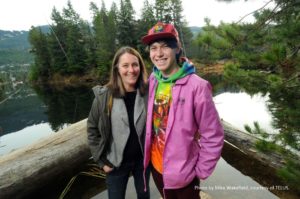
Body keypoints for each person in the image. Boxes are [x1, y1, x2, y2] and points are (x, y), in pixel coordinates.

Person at [141, 22, 224, 199]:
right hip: (156, 168)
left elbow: (213, 135)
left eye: (165, 47)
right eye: (154, 48)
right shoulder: (154, 79)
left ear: (177, 48)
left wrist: (200, 171)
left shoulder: (198, 87)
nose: (159, 53)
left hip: (185, 175)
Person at [87, 46, 150, 199]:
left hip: (142, 161)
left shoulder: (148, 93)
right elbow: (92, 130)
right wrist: (101, 162)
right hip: (115, 163)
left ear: (140, 67)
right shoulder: (104, 97)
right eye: (125, 65)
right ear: (117, 69)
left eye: (135, 65)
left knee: (144, 197)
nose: (131, 70)